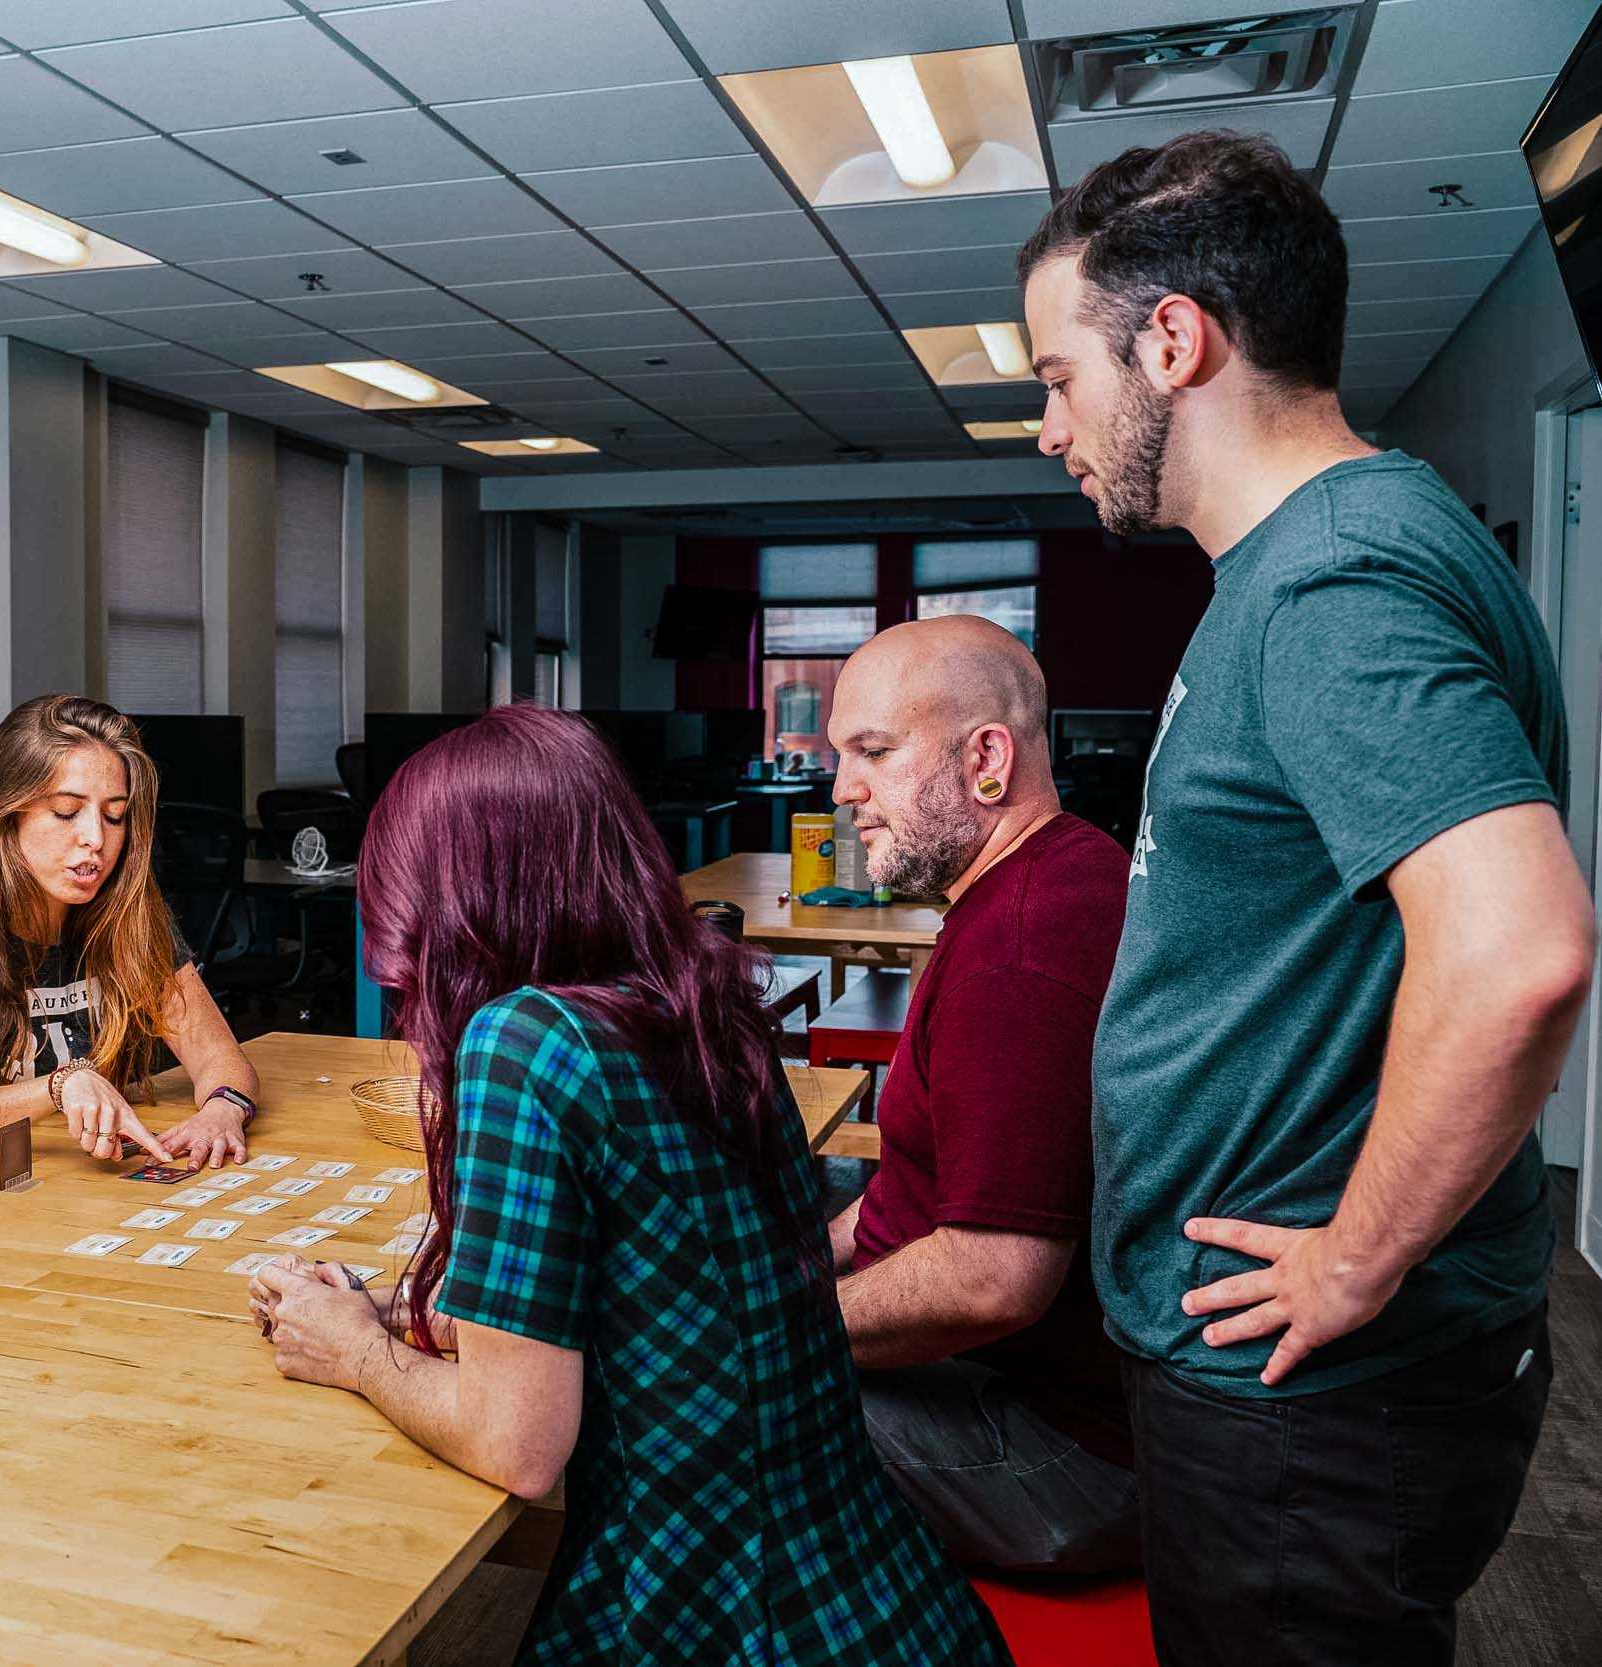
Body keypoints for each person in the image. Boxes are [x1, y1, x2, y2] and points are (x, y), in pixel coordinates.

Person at [1022, 130, 1595, 1661]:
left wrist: (1357, 1253)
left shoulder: (1335, 584)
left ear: (1171, 339)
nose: (1046, 427)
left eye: (1057, 378)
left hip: (1310, 1393)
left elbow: (1522, 946)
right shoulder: (1327, 556)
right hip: (1294, 1377)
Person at [247, 704, 1007, 1667]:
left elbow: (518, 1445)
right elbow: (657, 1282)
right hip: (876, 1597)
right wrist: (436, 1311)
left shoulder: (526, 1040)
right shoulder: (701, 1003)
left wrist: (356, 1349)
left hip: (720, 1615)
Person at [822, 616, 1138, 1573]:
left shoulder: (1022, 948)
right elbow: (910, 1195)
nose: (843, 792)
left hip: (1062, 1456)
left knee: (679, 1398)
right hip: (1042, 1394)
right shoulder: (1053, 870)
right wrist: (781, 1266)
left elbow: (991, 1276)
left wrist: (760, 1324)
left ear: (987, 758)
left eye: (873, 752)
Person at [0, 695, 258, 1171]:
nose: (96, 837)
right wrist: (61, 1084)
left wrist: (223, 1109)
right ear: (6, 814)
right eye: (67, 811)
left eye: (115, 815)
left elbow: (221, 1058)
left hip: (69, 1180)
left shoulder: (129, 916)